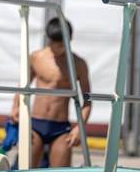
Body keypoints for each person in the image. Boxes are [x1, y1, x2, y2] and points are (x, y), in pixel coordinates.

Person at [9, 18, 91, 168]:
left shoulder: (78, 64)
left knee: (60, 170)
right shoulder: (37, 57)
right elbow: (22, 86)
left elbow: (87, 100)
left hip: (60, 128)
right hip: (35, 124)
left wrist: (80, 128)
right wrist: (15, 107)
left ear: (69, 40)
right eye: (51, 43)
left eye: (59, 45)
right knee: (26, 168)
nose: (55, 48)